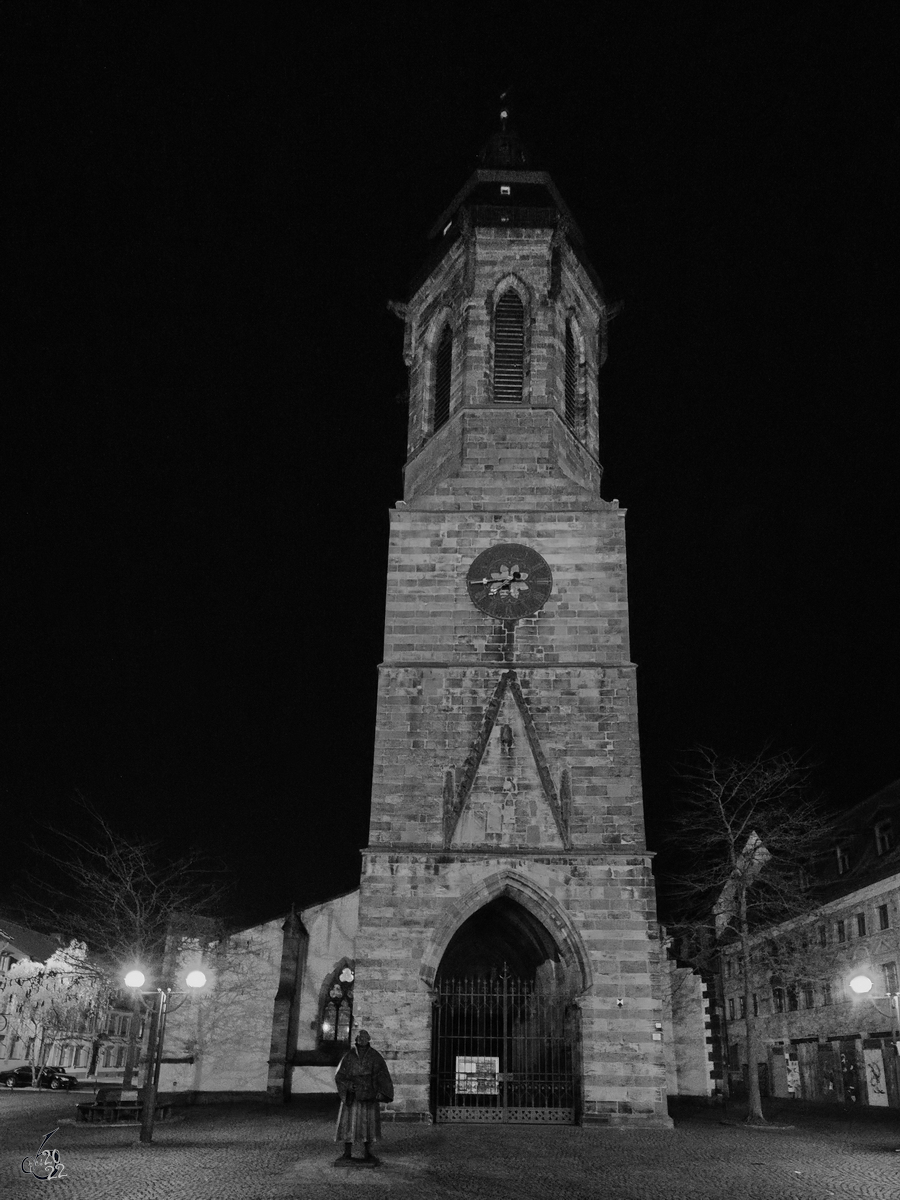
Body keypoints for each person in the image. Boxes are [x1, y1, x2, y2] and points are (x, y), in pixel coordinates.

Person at [334, 1029, 394, 1167]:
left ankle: (368, 1152)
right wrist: (349, 1085)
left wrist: (383, 1092)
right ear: (356, 1039)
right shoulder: (348, 1056)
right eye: (359, 1037)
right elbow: (339, 1076)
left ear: (369, 1039)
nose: (361, 1040)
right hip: (352, 1096)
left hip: (369, 1095)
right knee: (348, 1123)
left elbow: (382, 1074)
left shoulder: (375, 1056)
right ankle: (347, 1152)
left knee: (368, 1124)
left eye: (364, 1037)